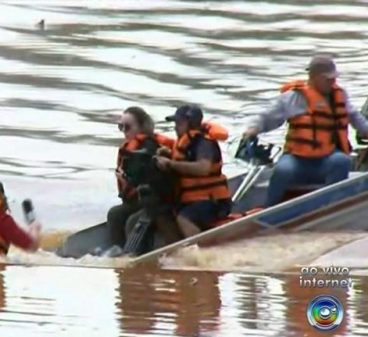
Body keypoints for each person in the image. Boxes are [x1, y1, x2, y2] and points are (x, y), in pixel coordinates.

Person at [244, 55, 368, 206]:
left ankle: (329, 205)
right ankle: (269, 207)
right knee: (283, 170)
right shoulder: (293, 98)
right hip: (297, 158)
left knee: (342, 161)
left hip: (327, 158)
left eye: (334, 78)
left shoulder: (340, 96)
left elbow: (357, 119)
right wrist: (253, 129)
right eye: (328, 79)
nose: (332, 82)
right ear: (314, 77)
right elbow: (267, 117)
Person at [155, 105, 232, 238]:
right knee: (164, 212)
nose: (175, 127)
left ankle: (199, 252)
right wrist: (168, 154)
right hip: (192, 198)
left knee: (184, 218)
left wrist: (171, 164)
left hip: (214, 200)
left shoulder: (204, 143)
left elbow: (203, 168)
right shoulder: (185, 142)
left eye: (179, 123)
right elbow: (186, 158)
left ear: (190, 123)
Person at [107, 106, 175, 248]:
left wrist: (128, 178)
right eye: (121, 127)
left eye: (128, 127)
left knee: (133, 222)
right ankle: (116, 252)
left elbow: (154, 178)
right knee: (115, 213)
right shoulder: (130, 148)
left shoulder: (150, 147)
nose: (124, 131)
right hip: (137, 200)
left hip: (155, 200)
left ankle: (135, 255)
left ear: (141, 127)